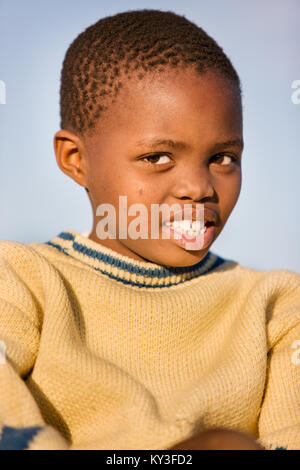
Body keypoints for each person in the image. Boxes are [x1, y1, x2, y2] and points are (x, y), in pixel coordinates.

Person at [0, 9, 299, 450]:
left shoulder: (276, 307)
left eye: (223, 158)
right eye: (158, 157)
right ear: (76, 159)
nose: (199, 188)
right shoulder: (24, 281)